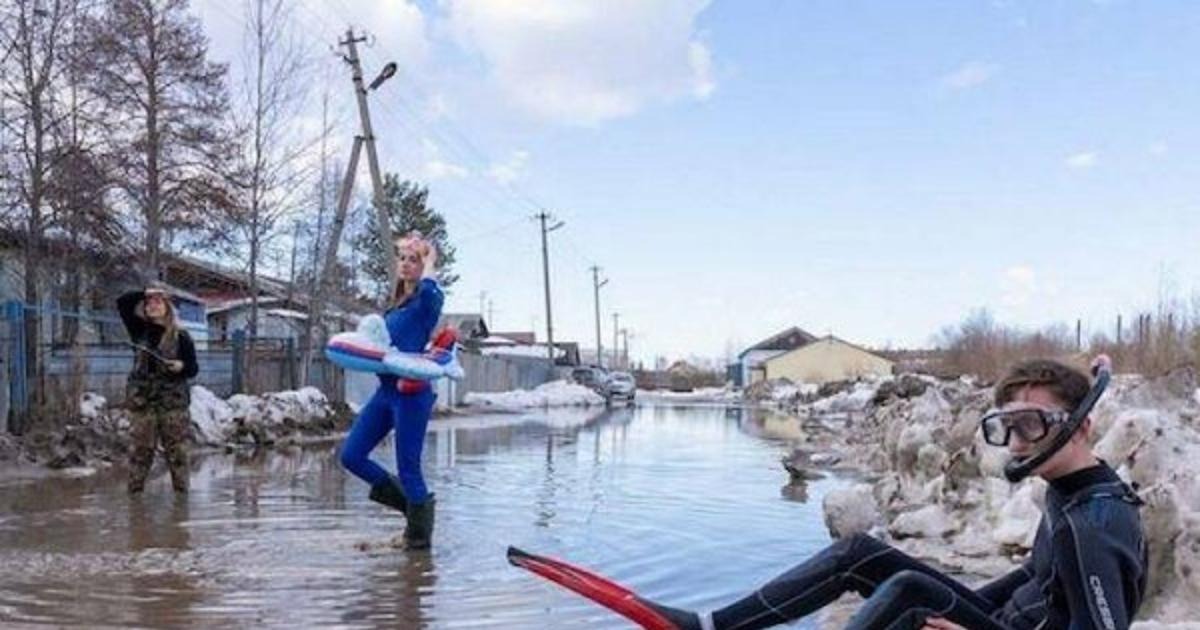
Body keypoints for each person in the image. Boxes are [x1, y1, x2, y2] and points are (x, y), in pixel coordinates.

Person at [531, 358, 1148, 629]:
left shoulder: (1094, 525)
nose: (1016, 442)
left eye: (1032, 425)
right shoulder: (1067, 490)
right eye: (1006, 427)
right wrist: (961, 608)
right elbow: (1034, 578)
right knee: (860, 554)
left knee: (907, 590)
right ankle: (712, 625)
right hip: (1002, 624)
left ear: (1082, 426)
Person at [339, 233, 444, 550]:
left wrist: (430, 262)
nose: (406, 264)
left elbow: (431, 293)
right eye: (403, 258)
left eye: (414, 260)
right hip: (385, 392)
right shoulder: (394, 308)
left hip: (411, 394)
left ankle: (418, 543)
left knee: (409, 468)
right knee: (351, 456)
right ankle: (413, 511)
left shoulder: (426, 303)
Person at [118, 282, 199, 494]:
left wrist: (181, 366)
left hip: (173, 405)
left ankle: (181, 500)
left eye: (158, 302)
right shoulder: (138, 330)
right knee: (141, 453)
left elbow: (193, 369)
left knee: (177, 454)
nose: (152, 306)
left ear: (167, 308)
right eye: (149, 303)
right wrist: (146, 292)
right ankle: (134, 498)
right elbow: (123, 303)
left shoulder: (182, 337)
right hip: (144, 404)